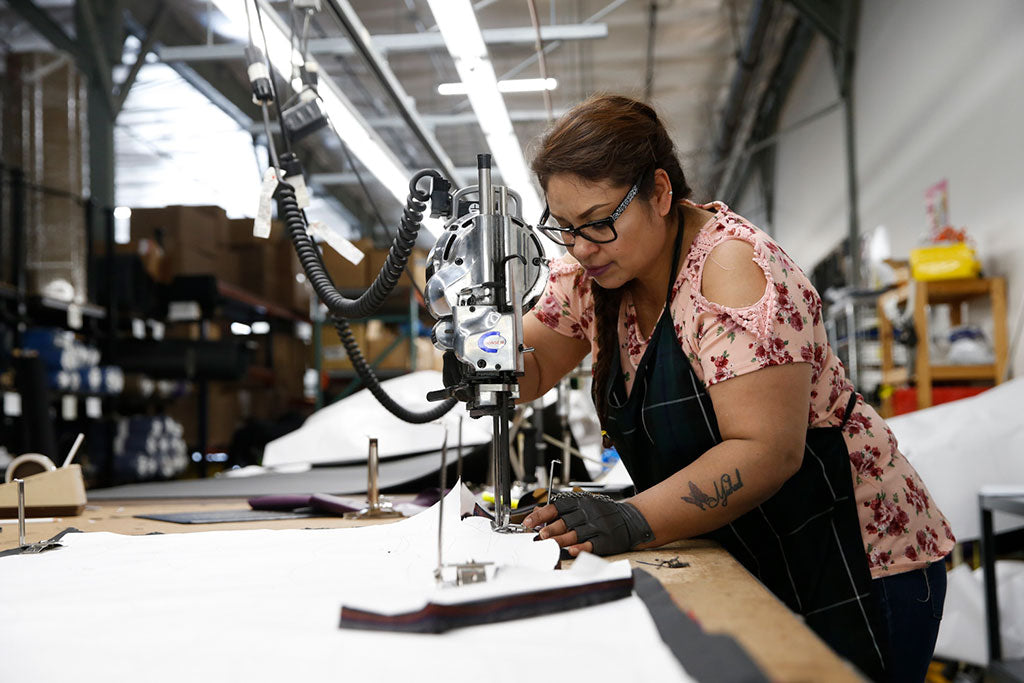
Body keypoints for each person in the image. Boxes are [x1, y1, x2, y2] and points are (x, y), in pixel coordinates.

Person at [516, 94, 952, 683]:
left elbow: (766, 450)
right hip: (751, 546)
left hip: (854, 552)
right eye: (563, 227)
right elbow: (530, 370)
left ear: (661, 193)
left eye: (598, 222)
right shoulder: (590, 277)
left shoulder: (729, 270)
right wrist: (475, 347)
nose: (580, 246)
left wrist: (630, 519)